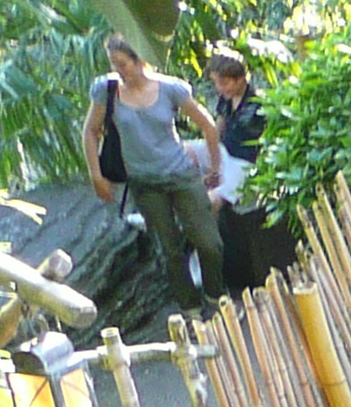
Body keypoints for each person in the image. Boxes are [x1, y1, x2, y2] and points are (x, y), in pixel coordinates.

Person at [81, 36, 225, 304]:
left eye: (123, 64)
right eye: (114, 64)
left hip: (181, 174)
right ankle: (190, 307)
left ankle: (216, 295)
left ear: (139, 61)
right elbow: (90, 130)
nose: (118, 70)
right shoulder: (106, 90)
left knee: (208, 243)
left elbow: (207, 126)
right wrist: (96, 175)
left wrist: (215, 168)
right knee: (169, 250)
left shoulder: (171, 89)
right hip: (144, 182)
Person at [204, 49, 268, 294]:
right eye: (217, 83)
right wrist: (212, 163)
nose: (220, 87)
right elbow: (217, 130)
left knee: (212, 201)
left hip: (244, 163)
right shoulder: (225, 99)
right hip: (224, 152)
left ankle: (206, 252)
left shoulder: (258, 104)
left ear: (240, 78)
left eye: (224, 82)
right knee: (186, 151)